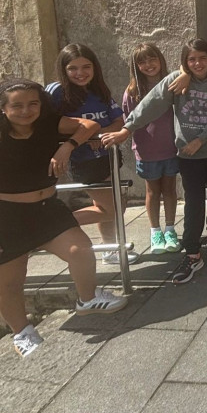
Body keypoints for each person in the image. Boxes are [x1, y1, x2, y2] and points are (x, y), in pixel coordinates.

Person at [0, 79, 127, 357]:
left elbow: (89, 126)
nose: (26, 110)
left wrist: (67, 146)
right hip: (7, 215)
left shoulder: (48, 123)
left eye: (33, 103)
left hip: (47, 207)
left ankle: (88, 299)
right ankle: (22, 331)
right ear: (4, 109)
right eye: (17, 105)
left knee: (81, 251)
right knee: (10, 280)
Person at [102, 38, 207, 284]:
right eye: (191, 59)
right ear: (185, 62)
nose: (197, 63)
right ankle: (193, 252)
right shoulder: (176, 79)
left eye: (202, 58)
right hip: (188, 156)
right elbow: (150, 104)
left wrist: (201, 140)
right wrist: (127, 128)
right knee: (194, 202)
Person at [46, 44, 140, 265]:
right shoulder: (56, 93)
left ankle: (110, 250)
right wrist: (86, 139)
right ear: (64, 70)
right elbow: (48, 126)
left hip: (108, 156)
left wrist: (98, 134)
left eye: (86, 66)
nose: (81, 73)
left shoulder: (98, 90)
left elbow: (118, 121)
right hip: (85, 161)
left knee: (111, 207)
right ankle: (47, 229)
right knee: (112, 210)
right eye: (73, 68)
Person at [123, 43, 180, 255]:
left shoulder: (173, 84)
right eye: (142, 61)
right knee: (152, 191)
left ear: (160, 59)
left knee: (170, 190)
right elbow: (128, 121)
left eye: (152, 59)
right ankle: (155, 231)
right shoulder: (132, 92)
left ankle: (171, 229)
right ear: (136, 66)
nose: (148, 65)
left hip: (171, 148)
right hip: (147, 151)